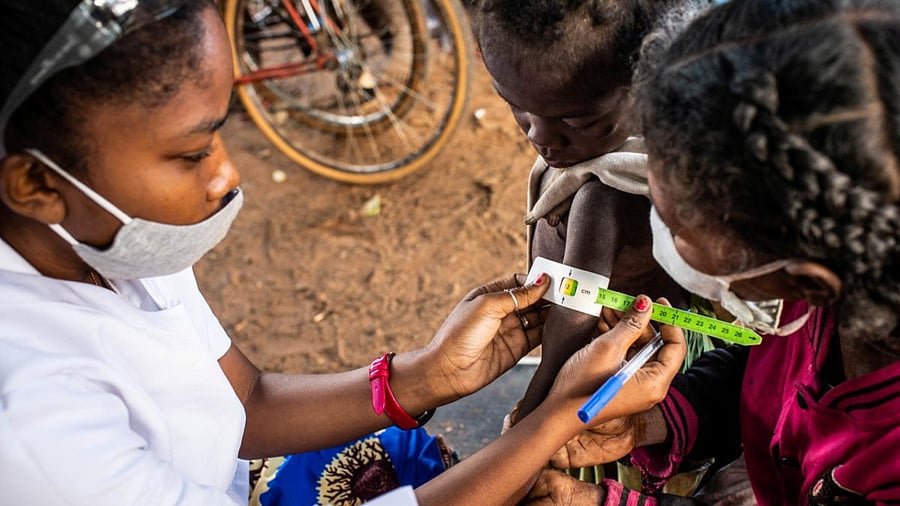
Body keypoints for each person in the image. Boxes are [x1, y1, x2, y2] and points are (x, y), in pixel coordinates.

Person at [0, 1, 687, 504]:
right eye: (193, 151)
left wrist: (420, 378)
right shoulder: (28, 421)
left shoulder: (107, 239)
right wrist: (552, 423)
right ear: (34, 183)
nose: (227, 175)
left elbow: (243, 400)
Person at [525, 0, 900, 504]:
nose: (656, 231)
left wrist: (605, 501)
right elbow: (765, 377)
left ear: (806, 278)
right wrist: (655, 423)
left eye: (675, 224)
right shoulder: (822, 290)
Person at [468, 0, 719, 493]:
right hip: (593, 364)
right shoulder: (587, 152)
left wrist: (534, 412)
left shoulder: (608, 190)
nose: (541, 137)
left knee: (595, 481)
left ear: (645, 88)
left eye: (577, 122)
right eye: (514, 105)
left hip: (625, 373)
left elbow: (573, 310)